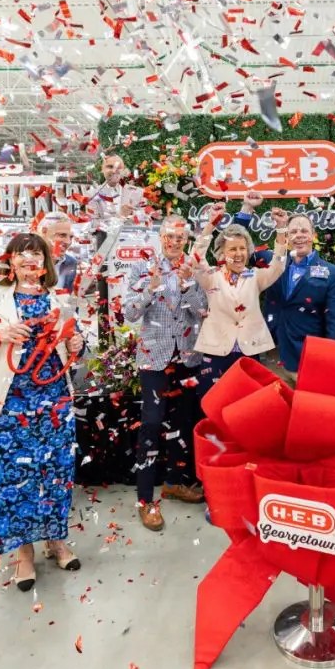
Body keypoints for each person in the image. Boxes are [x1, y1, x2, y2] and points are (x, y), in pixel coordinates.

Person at [0, 233, 85, 592]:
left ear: (46, 263)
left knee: (55, 475)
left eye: (37, 255)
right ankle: (24, 554)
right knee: (14, 482)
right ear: (10, 261)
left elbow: (78, 342)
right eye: (22, 255)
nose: (30, 261)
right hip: (7, 407)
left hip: (54, 404)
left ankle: (55, 540)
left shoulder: (59, 300)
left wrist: (77, 343)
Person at [125, 215, 209, 531]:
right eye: (169, 237)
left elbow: (202, 310)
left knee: (185, 422)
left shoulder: (195, 265)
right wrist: (150, 288)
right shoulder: (142, 267)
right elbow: (129, 312)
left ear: (186, 240)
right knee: (151, 424)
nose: (174, 243)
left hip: (188, 356)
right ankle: (145, 499)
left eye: (180, 237)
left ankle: (175, 481)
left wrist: (188, 284)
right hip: (153, 357)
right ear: (160, 237)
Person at [191, 205, 290, 397]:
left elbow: (278, 264)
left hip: (248, 351)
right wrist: (211, 224)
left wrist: (281, 229)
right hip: (216, 352)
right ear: (221, 253)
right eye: (232, 249)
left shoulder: (256, 277)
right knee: (214, 403)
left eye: (242, 248)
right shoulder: (211, 276)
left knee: (246, 405)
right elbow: (196, 259)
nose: (238, 254)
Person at [258, 213, 335, 381]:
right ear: (287, 237)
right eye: (294, 232)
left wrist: (329, 358)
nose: (299, 235)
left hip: (309, 358)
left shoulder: (332, 273)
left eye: (304, 231)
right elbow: (240, 245)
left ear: (313, 235)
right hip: (273, 355)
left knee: (306, 407)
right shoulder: (274, 263)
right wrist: (247, 209)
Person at [37, 212, 79, 295]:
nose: (68, 242)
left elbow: (67, 298)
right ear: (44, 232)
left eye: (71, 237)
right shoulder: (27, 261)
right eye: (62, 235)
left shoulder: (71, 262)